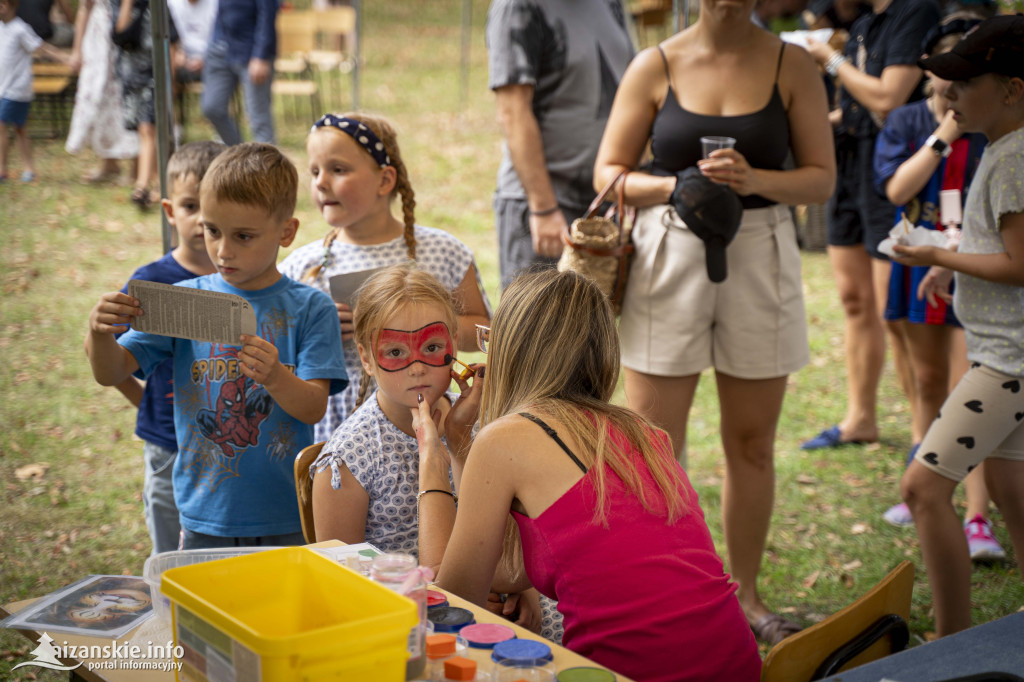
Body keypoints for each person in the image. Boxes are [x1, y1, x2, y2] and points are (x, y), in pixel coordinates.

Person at [592, 0, 835, 645]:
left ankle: (748, 599)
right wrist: (673, 185)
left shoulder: (794, 63)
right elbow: (607, 172)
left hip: (761, 254)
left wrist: (756, 176)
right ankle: (665, 589)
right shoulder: (656, 63)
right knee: (653, 445)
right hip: (669, 251)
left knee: (752, 444)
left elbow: (820, 181)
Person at [418, 270, 762, 681]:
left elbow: (455, 603)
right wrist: (459, 444)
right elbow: (510, 570)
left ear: (510, 352)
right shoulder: (647, 434)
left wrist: (431, 461)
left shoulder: (505, 440)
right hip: (736, 665)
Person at [85, 142, 348, 550]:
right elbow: (111, 371)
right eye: (212, 230)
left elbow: (314, 406)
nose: (223, 250)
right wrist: (99, 333)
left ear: (287, 232)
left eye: (243, 236)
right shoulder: (183, 299)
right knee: (205, 614)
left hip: (286, 512)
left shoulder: (310, 307)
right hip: (205, 512)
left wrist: (276, 377)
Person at [893, 14, 1024, 637]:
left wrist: (937, 256)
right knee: (1010, 493)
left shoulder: (1013, 158)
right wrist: (956, 270)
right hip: (1006, 358)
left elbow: (1020, 265)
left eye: (966, 83)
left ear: (1012, 89)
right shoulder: (1004, 149)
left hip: (1008, 365)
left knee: (922, 489)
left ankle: (951, 642)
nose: (950, 96)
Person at [871, 15, 1004, 562]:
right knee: (926, 383)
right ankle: (922, 478)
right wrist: (942, 136)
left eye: (963, 77)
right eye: (942, 76)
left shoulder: (992, 129)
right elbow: (898, 189)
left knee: (967, 388)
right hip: (916, 263)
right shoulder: (906, 123)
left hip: (971, 268)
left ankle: (977, 517)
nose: (951, 89)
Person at [278, 112, 491, 443]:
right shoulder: (300, 266)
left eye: (338, 169)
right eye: (314, 171)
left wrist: (426, 327)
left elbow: (484, 331)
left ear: (384, 180)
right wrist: (317, 329)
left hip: (429, 418)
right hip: (339, 424)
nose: (320, 182)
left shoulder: (443, 251)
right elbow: (279, 349)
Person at [802, 0, 941, 451]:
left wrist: (832, 60)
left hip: (892, 172)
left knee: (896, 316)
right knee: (854, 300)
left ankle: (926, 439)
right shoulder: (864, 23)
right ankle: (860, 419)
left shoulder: (915, 12)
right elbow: (861, 107)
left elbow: (888, 96)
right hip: (849, 164)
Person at [99, 141, 225, 554]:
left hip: (229, 443)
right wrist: (145, 403)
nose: (203, 219)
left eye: (215, 208)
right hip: (168, 445)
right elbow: (110, 359)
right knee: (170, 553)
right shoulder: (153, 280)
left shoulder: (246, 280)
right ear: (170, 211)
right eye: (191, 206)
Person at [310, 265, 470, 554]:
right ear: (366, 358)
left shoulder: (480, 420)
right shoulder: (349, 461)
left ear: (454, 342)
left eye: (432, 347)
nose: (418, 368)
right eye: (396, 352)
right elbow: (344, 575)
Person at [485, 0, 634, 289]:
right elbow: (512, 112)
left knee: (595, 330)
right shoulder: (518, 6)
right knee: (535, 329)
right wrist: (542, 208)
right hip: (543, 207)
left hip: (604, 203)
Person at [111, 0, 179, 209]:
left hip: (155, 74)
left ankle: (142, 186)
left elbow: (172, 42)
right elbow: (120, 34)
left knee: (148, 128)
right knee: (144, 131)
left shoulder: (158, 6)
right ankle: (157, 184)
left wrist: (171, 80)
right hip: (131, 76)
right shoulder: (119, 4)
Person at [65, 0, 139, 184]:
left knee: (127, 97)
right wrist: (77, 49)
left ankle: (136, 168)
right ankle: (109, 163)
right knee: (100, 99)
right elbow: (85, 7)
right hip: (97, 40)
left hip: (127, 33)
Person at [0, 0, 66, 183]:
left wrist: (64, 58)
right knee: (20, 129)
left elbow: (42, 48)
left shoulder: (20, 29)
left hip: (16, 90)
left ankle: (2, 170)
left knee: (2, 125)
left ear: (5, 6)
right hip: (4, 89)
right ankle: (29, 169)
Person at [200, 0, 276, 145]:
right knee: (211, 107)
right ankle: (238, 155)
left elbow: (267, 15)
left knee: (258, 117)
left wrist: (261, 55)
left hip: (251, 52)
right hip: (219, 49)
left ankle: (267, 164)